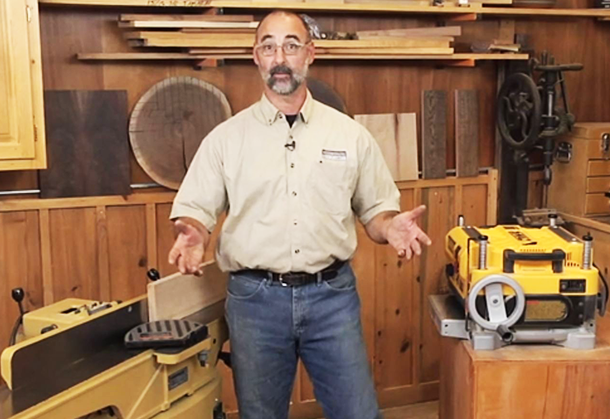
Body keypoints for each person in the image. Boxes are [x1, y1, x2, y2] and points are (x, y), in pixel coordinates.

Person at [167, 10, 432, 419]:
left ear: (310, 54)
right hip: (255, 301)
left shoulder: (349, 136)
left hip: (332, 299)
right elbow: (197, 210)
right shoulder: (225, 140)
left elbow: (376, 211)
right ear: (256, 56)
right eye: (269, 46)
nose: (280, 57)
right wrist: (196, 234)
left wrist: (389, 225)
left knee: (358, 413)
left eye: (291, 46)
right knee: (260, 415)